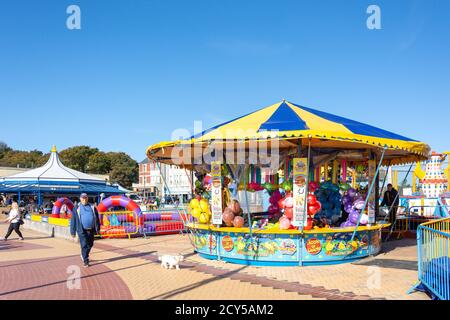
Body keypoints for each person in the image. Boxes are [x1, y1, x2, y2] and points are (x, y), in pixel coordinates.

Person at [70, 193, 100, 267]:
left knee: (90, 244)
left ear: (87, 198)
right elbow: (73, 220)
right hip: (81, 230)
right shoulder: (77, 208)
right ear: (80, 199)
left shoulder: (92, 207)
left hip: (91, 229)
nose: (84, 199)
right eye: (83, 198)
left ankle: (84, 254)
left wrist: (98, 228)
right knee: (84, 245)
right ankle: (86, 261)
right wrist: (72, 231)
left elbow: (97, 218)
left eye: (85, 198)